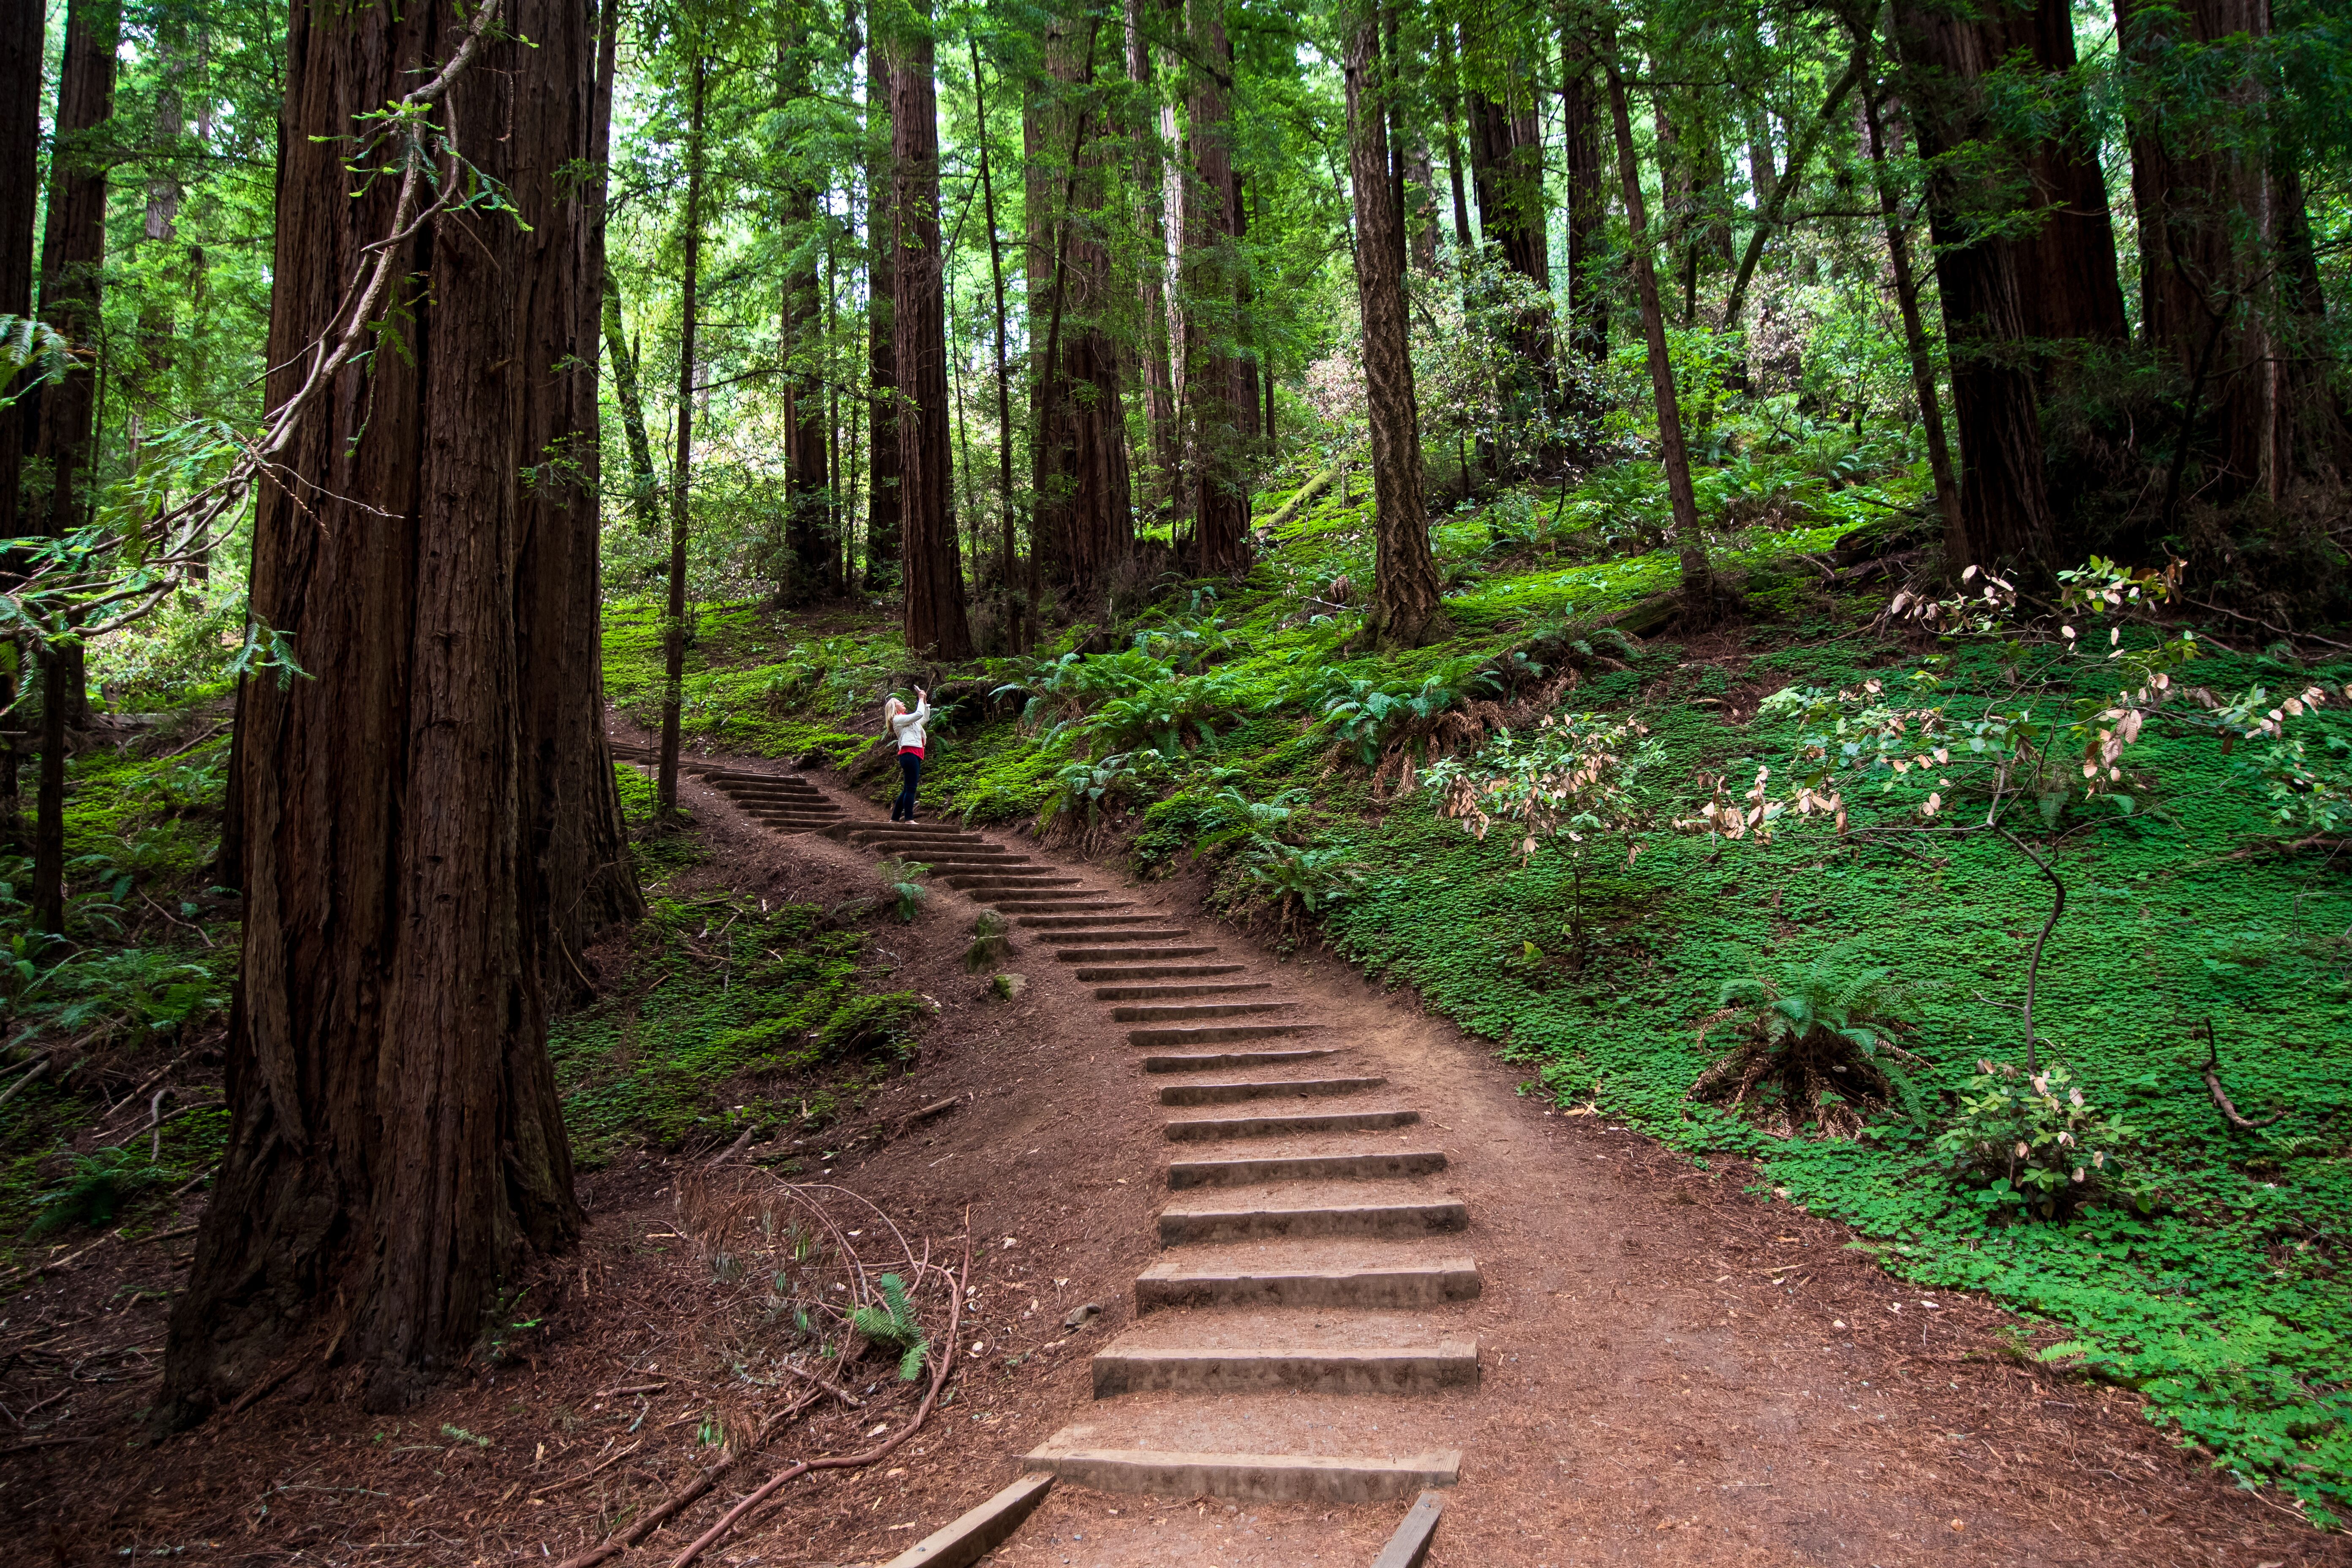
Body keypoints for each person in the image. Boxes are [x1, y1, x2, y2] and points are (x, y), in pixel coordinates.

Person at [883, 687, 930, 821]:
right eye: (899, 702)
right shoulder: (897, 720)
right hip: (909, 753)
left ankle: (894, 819)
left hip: (915, 754)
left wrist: (925, 701)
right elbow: (918, 715)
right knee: (911, 788)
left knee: (907, 788)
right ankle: (909, 819)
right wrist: (920, 699)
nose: (903, 703)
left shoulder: (908, 721)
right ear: (894, 707)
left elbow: (924, 717)